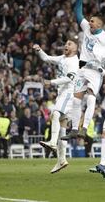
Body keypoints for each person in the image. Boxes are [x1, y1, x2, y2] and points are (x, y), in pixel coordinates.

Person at [61, 0, 105, 140]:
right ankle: (74, 129)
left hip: (96, 71)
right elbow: (78, 12)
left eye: (92, 21)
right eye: (90, 21)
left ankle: (85, 128)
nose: (89, 22)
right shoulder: (86, 27)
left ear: (99, 24)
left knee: (91, 97)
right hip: (83, 68)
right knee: (76, 99)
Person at [34, 39, 79, 173]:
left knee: (55, 114)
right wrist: (39, 50)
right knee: (63, 129)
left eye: (70, 44)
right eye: (66, 43)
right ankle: (62, 160)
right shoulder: (62, 58)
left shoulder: (74, 62)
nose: (66, 45)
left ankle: (53, 142)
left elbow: (69, 78)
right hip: (62, 94)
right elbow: (47, 58)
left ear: (76, 49)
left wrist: (51, 82)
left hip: (69, 93)